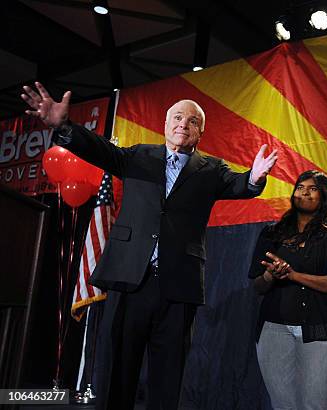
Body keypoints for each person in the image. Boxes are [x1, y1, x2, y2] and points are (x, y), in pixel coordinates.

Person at [21, 82, 278, 410]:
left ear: (201, 132)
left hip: (177, 285)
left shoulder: (211, 169)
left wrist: (254, 177)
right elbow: (99, 149)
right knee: (119, 368)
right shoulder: (140, 156)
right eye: (177, 118)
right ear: (165, 124)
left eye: (192, 121)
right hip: (131, 279)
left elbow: (241, 185)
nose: (183, 124)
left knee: (169, 374)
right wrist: (63, 127)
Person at [249, 170, 327, 410]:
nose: (304, 192)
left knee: (314, 405)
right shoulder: (272, 233)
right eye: (300, 187)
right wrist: (271, 274)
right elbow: (257, 285)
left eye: (312, 189)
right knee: (282, 405)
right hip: (275, 329)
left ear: (324, 196)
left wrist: (294, 275)